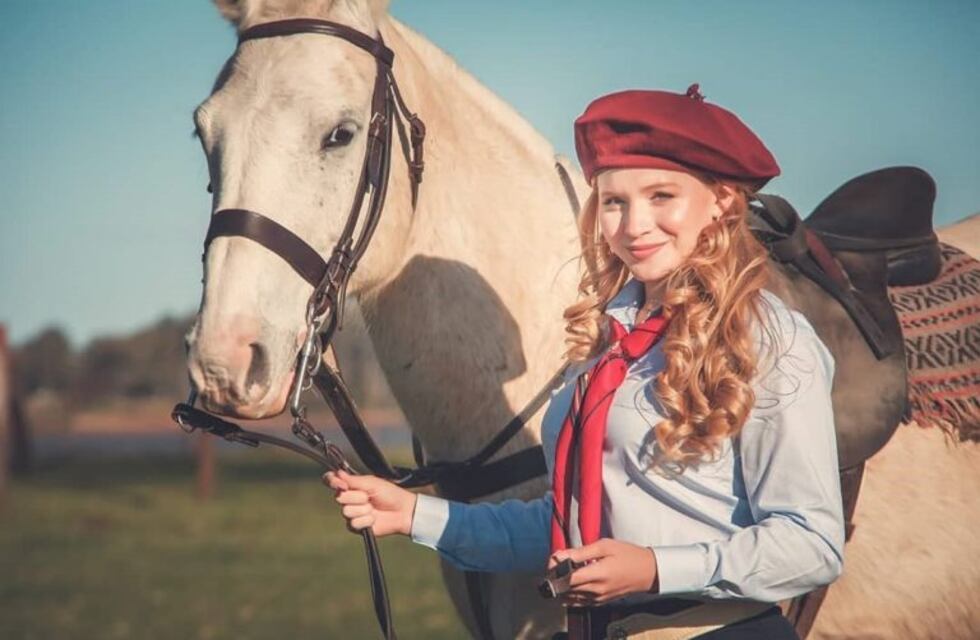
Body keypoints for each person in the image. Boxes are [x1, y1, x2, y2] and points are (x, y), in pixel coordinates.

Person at [324, 84, 845, 640]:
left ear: (719, 201)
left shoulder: (768, 339)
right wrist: (411, 515)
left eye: (662, 196)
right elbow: (567, 526)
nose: (634, 225)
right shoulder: (609, 341)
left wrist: (654, 567)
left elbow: (811, 544)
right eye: (615, 202)